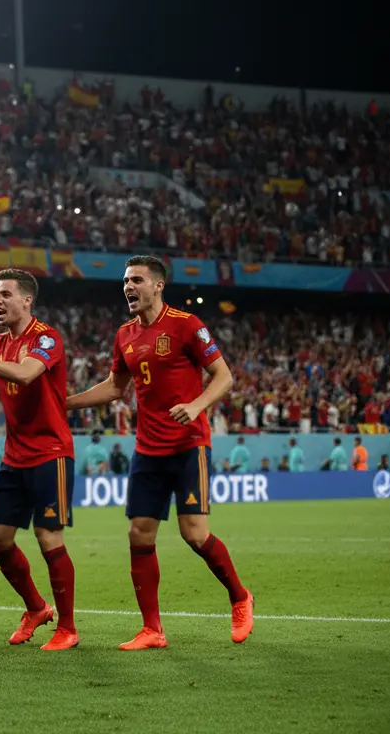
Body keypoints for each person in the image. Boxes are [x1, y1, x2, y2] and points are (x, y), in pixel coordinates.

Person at [67, 255, 252, 650]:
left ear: (158, 285)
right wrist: (64, 403)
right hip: (147, 448)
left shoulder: (187, 325)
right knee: (139, 533)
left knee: (194, 533)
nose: (128, 287)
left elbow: (224, 376)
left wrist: (197, 405)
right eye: (125, 282)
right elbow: (115, 388)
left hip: (188, 445)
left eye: (136, 280)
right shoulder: (125, 334)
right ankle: (152, 629)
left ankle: (240, 597)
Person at [0, 269, 78, 651]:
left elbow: (26, 374)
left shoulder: (46, 338)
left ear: (27, 300)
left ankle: (68, 628)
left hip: (51, 453)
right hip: (15, 457)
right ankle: (37, 608)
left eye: (5, 294)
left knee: (48, 536)